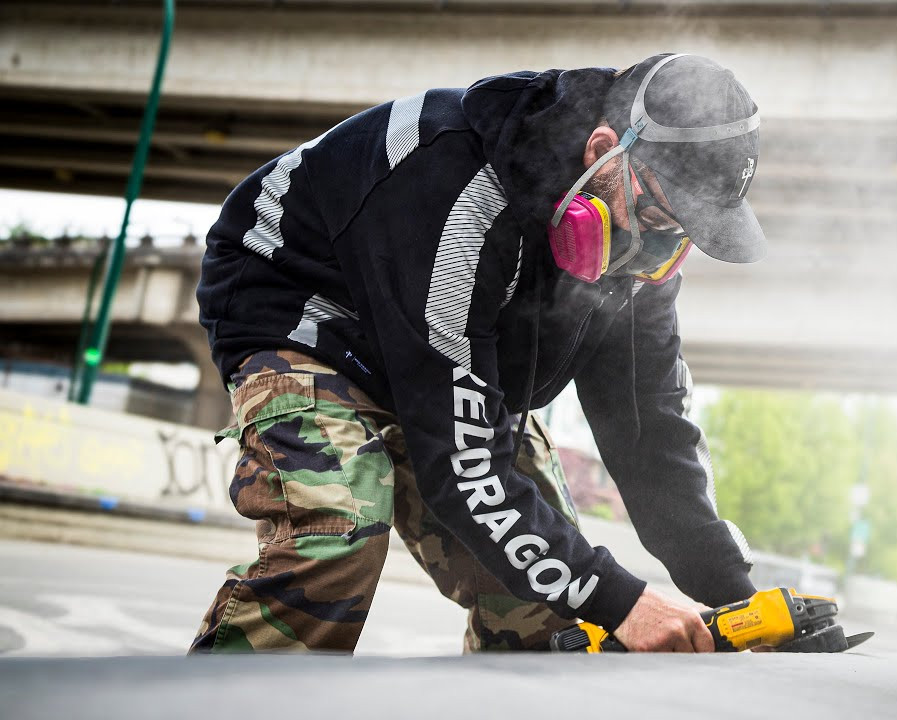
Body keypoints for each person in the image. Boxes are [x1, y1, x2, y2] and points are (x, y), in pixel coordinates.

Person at [191, 53, 766, 654]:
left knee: (545, 596)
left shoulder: (634, 247)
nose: (657, 244)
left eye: (680, 232)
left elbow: (650, 429)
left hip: (434, 346)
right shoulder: (464, 200)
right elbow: (463, 470)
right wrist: (619, 599)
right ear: (603, 150)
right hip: (311, 321)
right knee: (340, 533)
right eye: (654, 213)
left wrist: (735, 598)